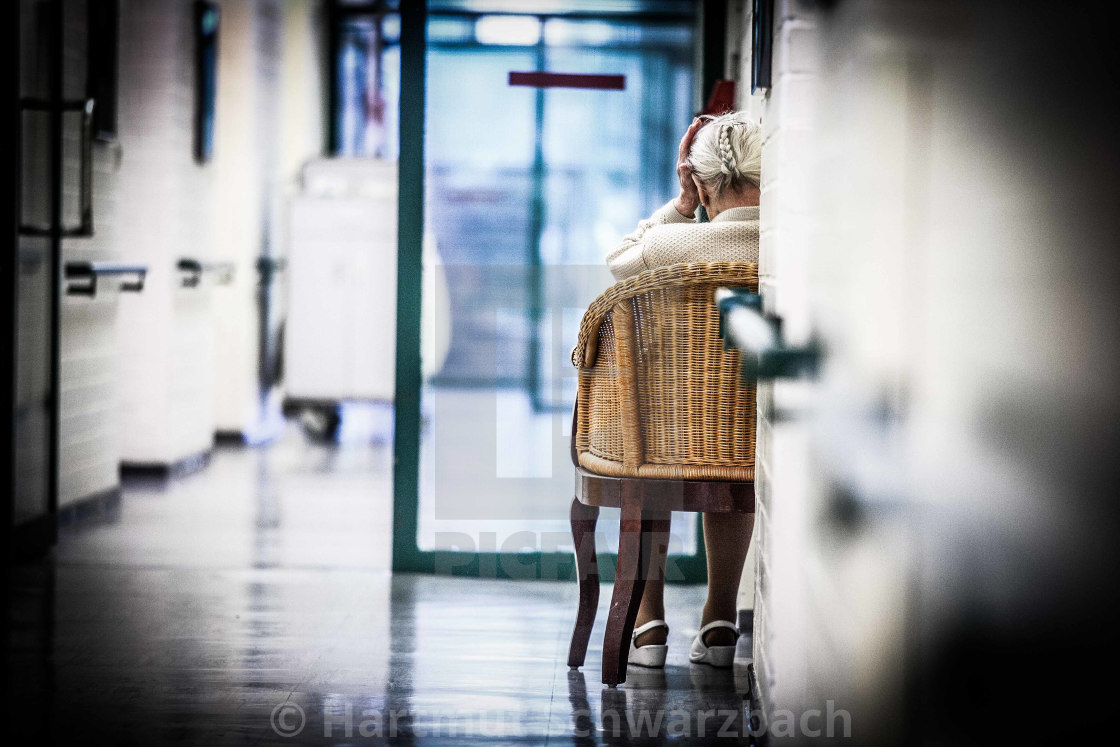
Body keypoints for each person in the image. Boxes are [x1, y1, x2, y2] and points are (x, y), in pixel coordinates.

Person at [605, 111, 761, 668]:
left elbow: (618, 260)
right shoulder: (790, 251)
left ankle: (648, 628)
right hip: (749, 427)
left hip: (666, 428)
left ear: (700, 180)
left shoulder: (670, 247)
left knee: (651, 453)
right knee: (734, 450)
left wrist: (680, 205)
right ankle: (720, 622)